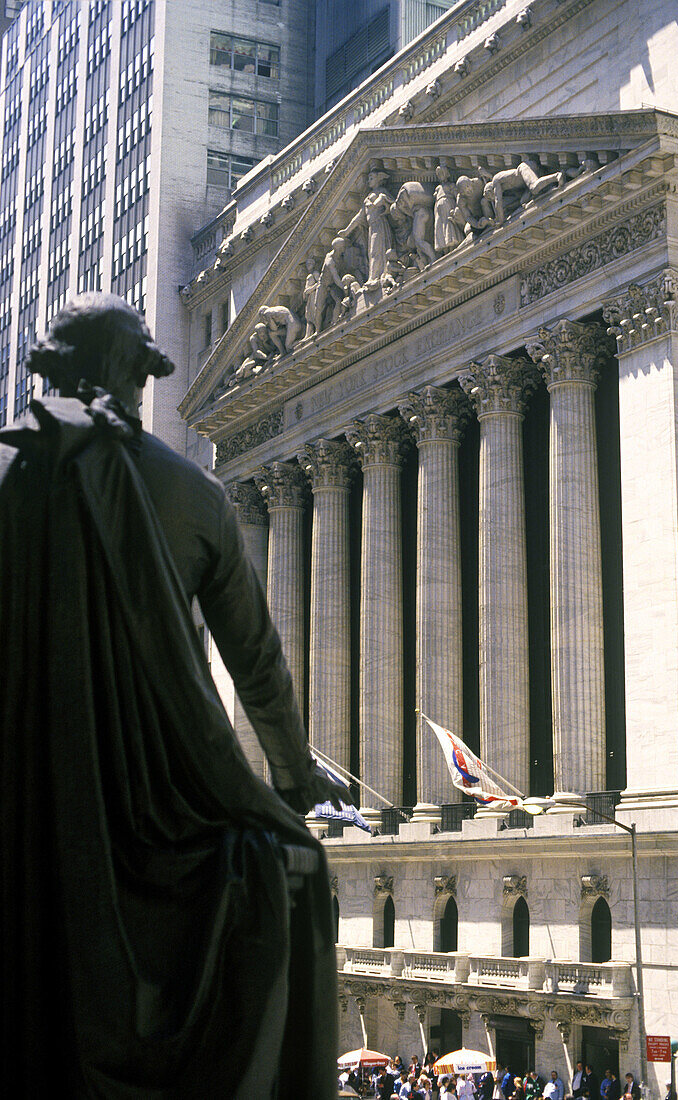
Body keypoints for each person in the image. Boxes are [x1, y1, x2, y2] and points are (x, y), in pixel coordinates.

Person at [0, 293, 349, 1097]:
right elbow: (257, 664)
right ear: (143, 375)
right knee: (292, 867)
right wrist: (295, 780)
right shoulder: (194, 492)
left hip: (25, 793)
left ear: (48, 367)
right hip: (164, 803)